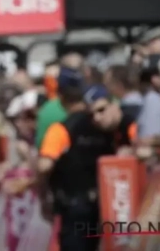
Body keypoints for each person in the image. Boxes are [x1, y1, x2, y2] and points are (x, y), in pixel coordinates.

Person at [37, 84, 135, 251]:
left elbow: (43, 166)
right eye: (92, 113)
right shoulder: (71, 128)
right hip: (98, 208)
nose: (97, 117)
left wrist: (42, 195)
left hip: (104, 207)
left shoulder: (121, 126)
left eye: (101, 110)